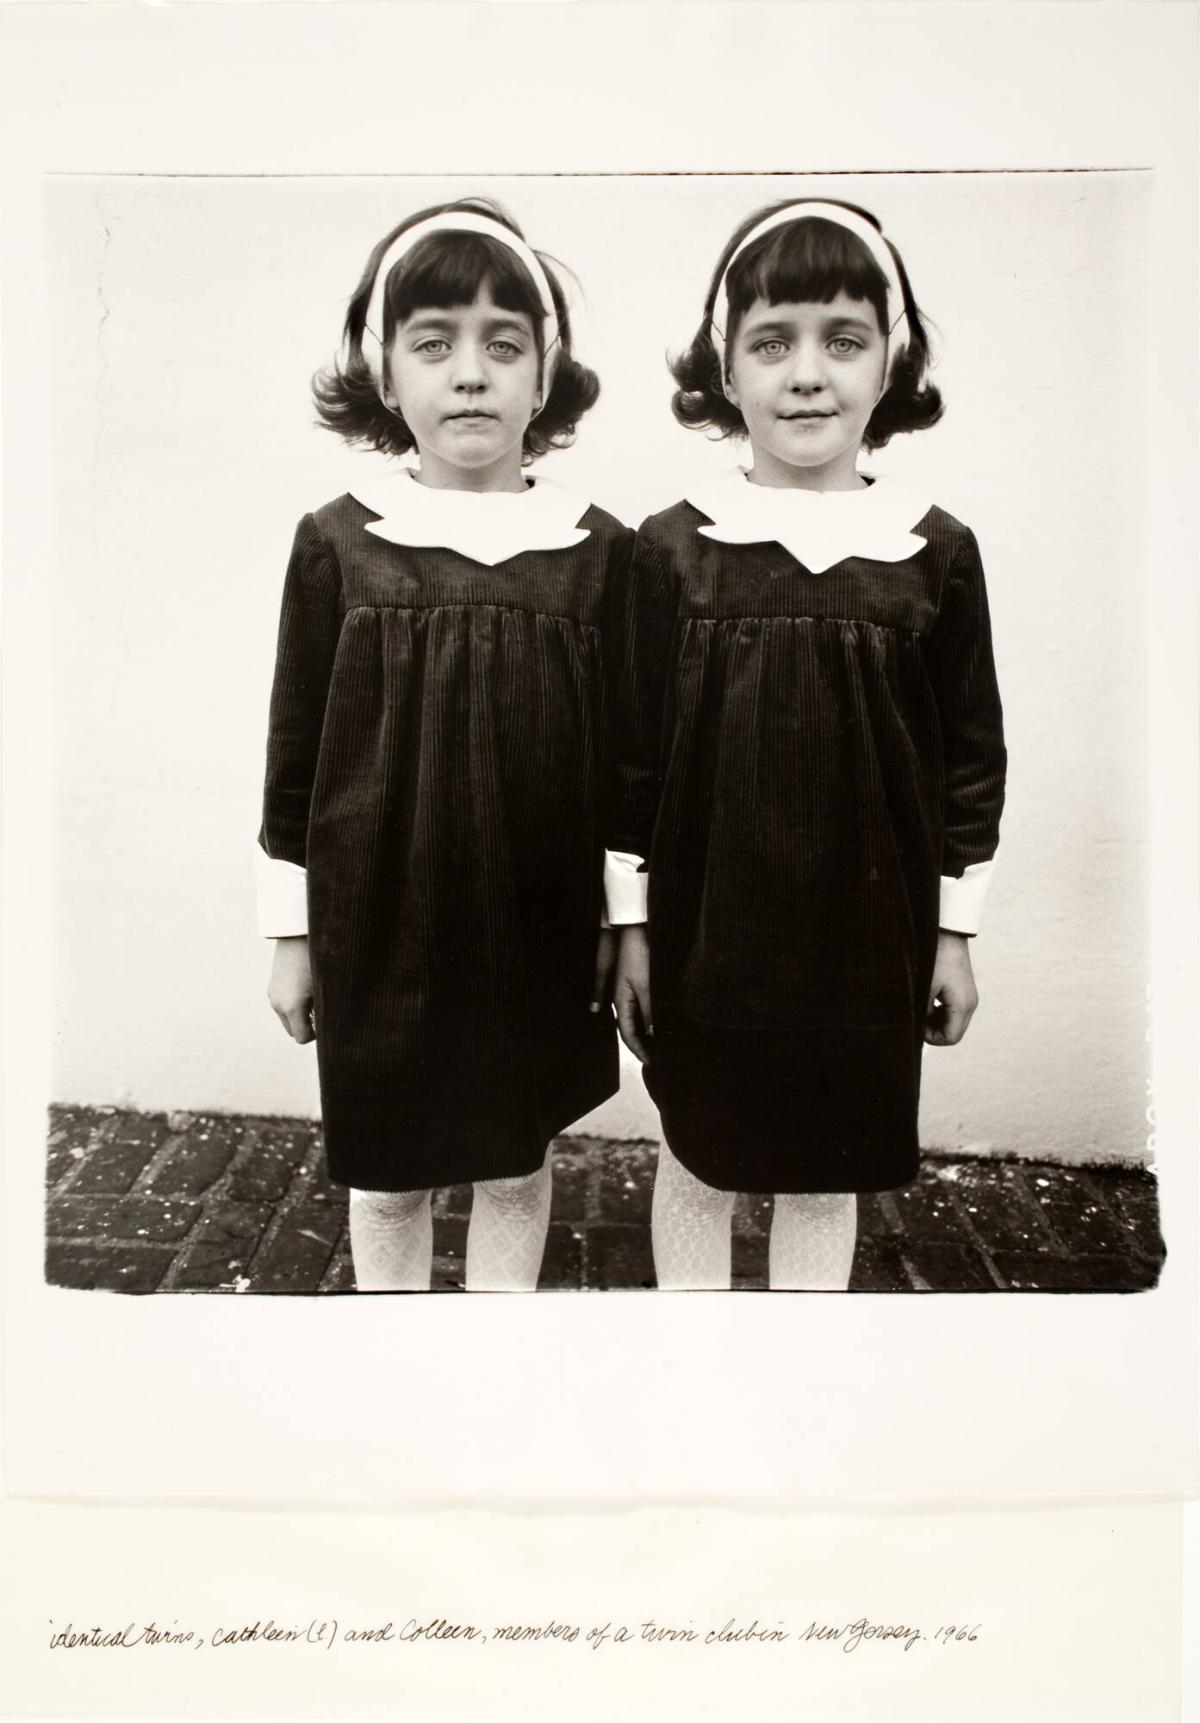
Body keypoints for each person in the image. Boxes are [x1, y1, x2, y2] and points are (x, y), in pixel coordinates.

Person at [611, 199, 1006, 1291]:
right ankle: (697, 1361)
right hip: (709, 932)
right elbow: (629, 763)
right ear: (724, 368)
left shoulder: (934, 553)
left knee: (826, 1167)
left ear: (895, 361)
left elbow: (970, 757)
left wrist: (954, 934)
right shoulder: (674, 548)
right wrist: (632, 928)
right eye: (771, 341)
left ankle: (800, 1371)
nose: (807, 375)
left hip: (865, 937)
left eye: (844, 339)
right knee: (702, 1154)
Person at [258, 199, 631, 1291]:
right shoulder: (339, 542)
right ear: (385, 373)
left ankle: (495, 1354)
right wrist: (292, 933)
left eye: (502, 344)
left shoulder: (594, 551)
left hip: (534, 920)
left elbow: (623, 766)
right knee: (392, 1167)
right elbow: (293, 753)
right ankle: (399, 1354)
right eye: (435, 342)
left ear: (543, 374)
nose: (471, 373)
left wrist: (622, 920)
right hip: (384, 917)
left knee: (516, 1158)